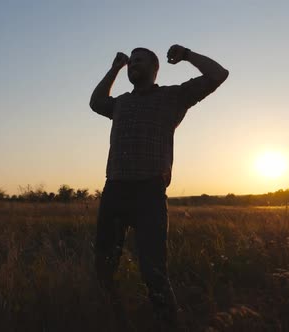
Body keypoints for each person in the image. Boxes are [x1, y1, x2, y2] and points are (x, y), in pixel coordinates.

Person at [90, 44, 228, 328]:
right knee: (104, 266)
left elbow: (218, 74)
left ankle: (168, 324)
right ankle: (117, 320)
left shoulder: (173, 96)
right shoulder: (120, 103)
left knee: (153, 271)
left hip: (149, 193)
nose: (133, 64)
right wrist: (114, 68)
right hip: (114, 189)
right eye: (131, 62)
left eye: (139, 60)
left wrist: (187, 55)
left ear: (155, 69)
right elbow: (95, 102)